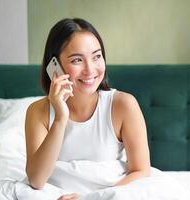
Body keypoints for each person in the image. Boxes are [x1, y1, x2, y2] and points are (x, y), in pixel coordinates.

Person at [24, 18, 151, 200]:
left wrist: (91, 198)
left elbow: (141, 171)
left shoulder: (124, 105)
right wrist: (60, 118)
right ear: (54, 67)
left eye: (97, 56)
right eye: (77, 60)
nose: (90, 69)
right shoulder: (37, 112)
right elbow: (36, 180)